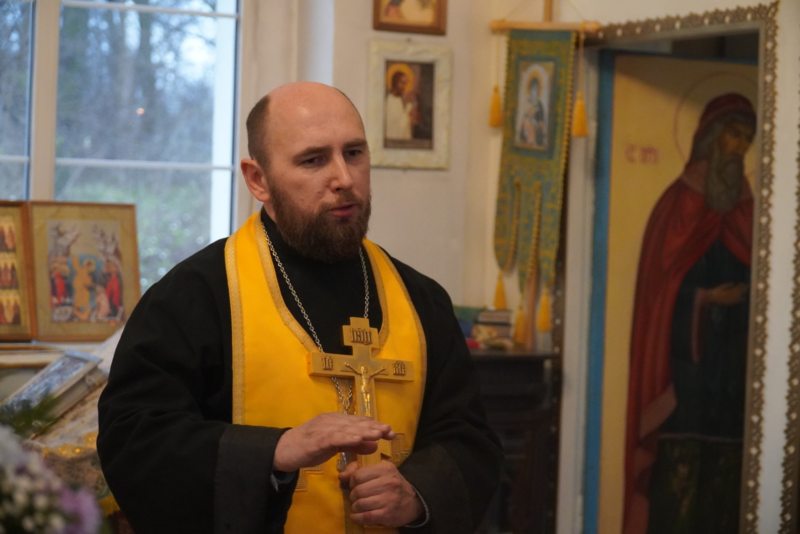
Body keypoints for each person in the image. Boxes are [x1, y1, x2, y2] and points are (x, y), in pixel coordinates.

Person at [97, 81, 503, 534]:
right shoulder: (194, 295)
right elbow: (136, 440)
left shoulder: (420, 298)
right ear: (258, 180)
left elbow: (468, 436)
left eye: (354, 153)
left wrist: (416, 492)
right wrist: (274, 452)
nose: (344, 179)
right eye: (313, 160)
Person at [624, 93, 756, 534]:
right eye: (733, 135)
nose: (739, 147)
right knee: (679, 469)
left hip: (734, 367)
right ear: (710, 138)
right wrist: (704, 298)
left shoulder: (751, 211)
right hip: (683, 372)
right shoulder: (676, 204)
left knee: (727, 471)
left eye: (747, 139)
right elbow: (658, 293)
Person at [384, 70, 417, 141]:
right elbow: (398, 126)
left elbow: (403, 122)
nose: (404, 87)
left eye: (405, 84)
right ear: (395, 82)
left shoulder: (398, 100)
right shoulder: (389, 101)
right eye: (402, 83)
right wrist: (408, 107)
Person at [518, 75, 546, 148]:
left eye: (536, 89)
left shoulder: (539, 105)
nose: (534, 92)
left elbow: (541, 125)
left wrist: (533, 121)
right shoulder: (526, 102)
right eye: (533, 89)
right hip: (525, 132)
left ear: (538, 90)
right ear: (530, 89)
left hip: (536, 132)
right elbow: (523, 121)